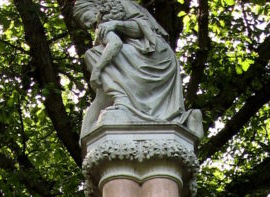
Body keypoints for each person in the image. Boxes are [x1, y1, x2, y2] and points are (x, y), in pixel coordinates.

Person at [73, 0, 202, 137]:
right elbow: (102, 95)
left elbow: (137, 30)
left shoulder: (119, 6)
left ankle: (123, 103)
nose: (87, 24)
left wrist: (97, 70)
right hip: (149, 56)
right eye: (83, 24)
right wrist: (86, 135)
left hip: (152, 53)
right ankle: (186, 118)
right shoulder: (102, 26)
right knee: (101, 62)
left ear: (95, 8)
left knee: (94, 55)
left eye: (85, 18)